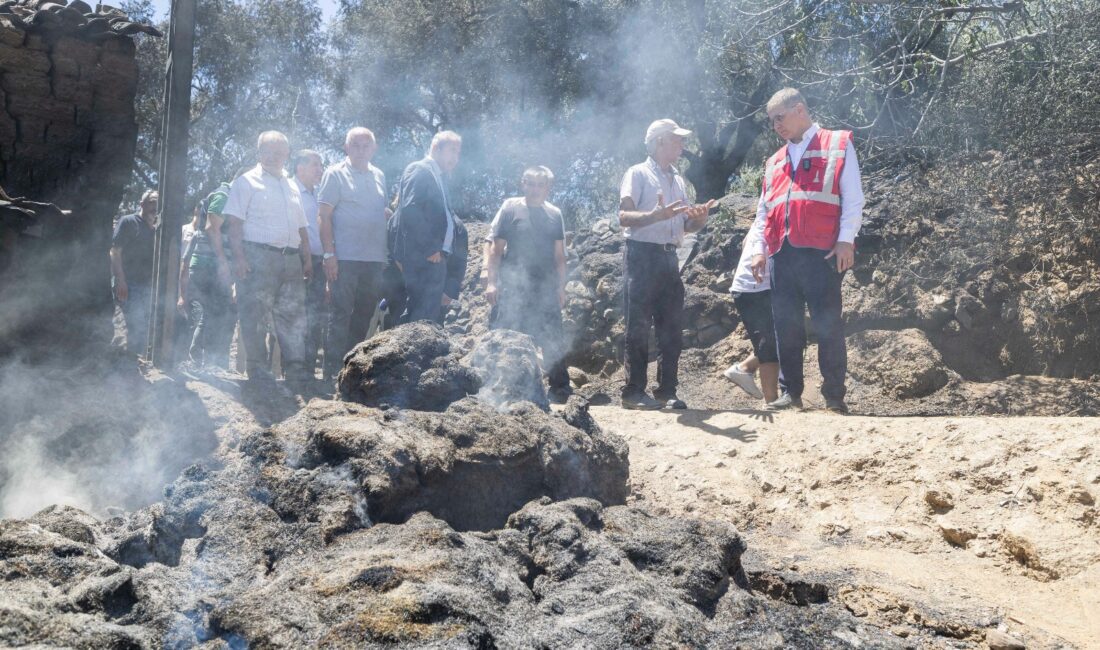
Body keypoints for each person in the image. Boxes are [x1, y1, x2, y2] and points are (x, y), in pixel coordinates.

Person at [748, 88, 865, 413]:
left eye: (779, 118)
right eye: (772, 121)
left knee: (828, 324)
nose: (776, 126)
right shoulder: (774, 161)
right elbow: (763, 210)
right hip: (781, 253)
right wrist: (758, 249)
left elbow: (853, 197)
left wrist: (846, 239)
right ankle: (791, 393)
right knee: (786, 325)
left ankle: (834, 396)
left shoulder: (837, 143)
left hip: (822, 252)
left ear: (799, 110)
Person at [617, 120, 715, 410]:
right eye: (677, 139)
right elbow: (624, 217)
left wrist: (700, 218)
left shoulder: (678, 180)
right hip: (641, 255)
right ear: (660, 141)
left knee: (671, 327)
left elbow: (685, 226)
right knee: (637, 325)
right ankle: (633, 392)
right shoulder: (637, 173)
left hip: (670, 257)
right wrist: (655, 215)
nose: (682, 145)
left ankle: (666, 391)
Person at [222, 131, 313, 383]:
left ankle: (294, 371)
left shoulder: (292, 185)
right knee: (255, 315)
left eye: (279, 153)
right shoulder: (245, 182)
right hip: (258, 257)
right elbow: (234, 224)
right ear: (259, 152)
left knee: (293, 315)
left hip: (291, 260)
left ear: (287, 155)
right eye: (268, 152)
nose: (273, 157)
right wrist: (239, 259)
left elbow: (302, 226)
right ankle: (257, 371)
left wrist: (306, 258)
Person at [484, 166, 571, 402]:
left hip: (546, 287)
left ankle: (560, 388)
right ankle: (505, 387)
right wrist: (492, 282)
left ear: (548, 188)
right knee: (509, 335)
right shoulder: (510, 208)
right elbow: (496, 250)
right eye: (530, 183)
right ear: (523, 184)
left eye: (540, 185)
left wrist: (561, 288)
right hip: (515, 286)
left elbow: (559, 256)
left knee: (553, 337)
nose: (535, 189)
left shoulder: (554, 214)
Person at [318, 128, 390, 379]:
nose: (361, 150)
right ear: (346, 148)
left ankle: (350, 372)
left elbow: (382, 212)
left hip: (374, 259)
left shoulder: (379, 175)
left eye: (366, 146)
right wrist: (329, 255)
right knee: (340, 314)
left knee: (364, 314)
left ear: (374, 149)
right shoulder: (335, 174)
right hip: (345, 258)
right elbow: (324, 216)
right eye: (355, 145)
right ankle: (331, 373)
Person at [389, 130, 462, 323]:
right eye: (452, 150)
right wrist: (430, 247)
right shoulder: (420, 170)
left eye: (458, 152)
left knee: (427, 313)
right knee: (421, 316)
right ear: (436, 148)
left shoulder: (439, 177)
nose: (455, 157)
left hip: (434, 257)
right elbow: (410, 209)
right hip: (424, 256)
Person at [722, 229, 780, 404]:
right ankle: (772, 402)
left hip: (750, 285)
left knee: (777, 340)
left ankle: (745, 368)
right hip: (756, 287)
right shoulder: (770, 218)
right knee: (769, 344)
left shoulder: (760, 221)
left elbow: (745, 242)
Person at [110, 189, 158, 356]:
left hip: (149, 285)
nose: (155, 207)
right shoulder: (129, 221)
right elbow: (115, 252)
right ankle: (129, 361)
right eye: (152, 202)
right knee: (135, 324)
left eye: (158, 204)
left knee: (145, 325)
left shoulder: (158, 229)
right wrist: (120, 280)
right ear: (142, 204)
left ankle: (137, 359)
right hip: (129, 283)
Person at [292, 149, 326, 376]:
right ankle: (291, 371)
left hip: (319, 261)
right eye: (315, 165)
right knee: (294, 315)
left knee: (315, 316)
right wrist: (305, 258)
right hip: (296, 260)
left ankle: (308, 371)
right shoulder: (289, 190)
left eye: (321, 165)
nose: (320, 170)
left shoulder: (319, 194)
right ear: (300, 167)